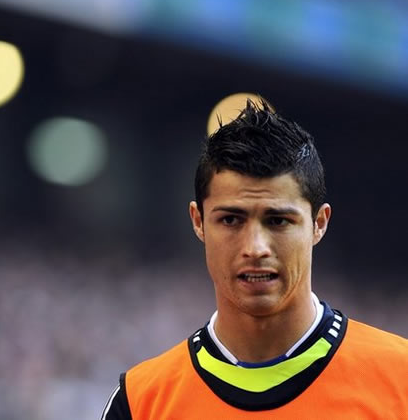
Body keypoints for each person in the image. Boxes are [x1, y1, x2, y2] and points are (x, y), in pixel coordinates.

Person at [101, 99, 408, 419]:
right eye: (232, 220)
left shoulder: (401, 381)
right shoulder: (141, 401)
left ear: (319, 223)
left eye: (278, 221)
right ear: (198, 221)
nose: (256, 247)